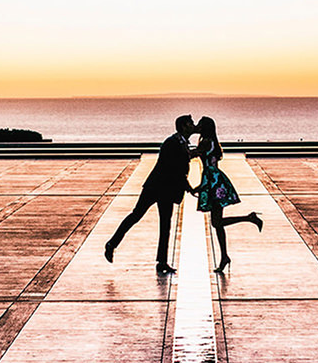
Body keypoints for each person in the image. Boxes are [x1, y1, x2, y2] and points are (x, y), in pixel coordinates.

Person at [104, 114, 196, 272]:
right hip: (155, 187)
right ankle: (112, 243)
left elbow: (180, 164)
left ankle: (162, 261)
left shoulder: (180, 142)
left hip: (166, 189)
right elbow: (174, 168)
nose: (193, 125)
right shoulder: (172, 142)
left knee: (165, 224)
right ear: (183, 126)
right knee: (136, 215)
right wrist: (187, 185)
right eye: (190, 123)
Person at [193, 115, 262, 271]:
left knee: (216, 222)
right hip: (215, 179)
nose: (197, 126)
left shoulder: (205, 142)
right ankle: (224, 256)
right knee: (217, 224)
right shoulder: (213, 142)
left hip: (213, 182)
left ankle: (248, 218)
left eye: (200, 125)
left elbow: (192, 155)